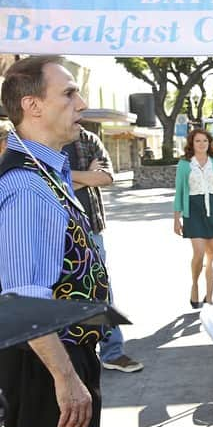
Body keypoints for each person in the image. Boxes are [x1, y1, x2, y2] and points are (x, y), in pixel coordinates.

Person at [0, 55, 110, 427]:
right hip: (46, 369)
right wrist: (66, 380)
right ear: (33, 106)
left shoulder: (47, 174)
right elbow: (23, 298)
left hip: (62, 360)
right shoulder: (27, 187)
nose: (81, 104)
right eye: (68, 93)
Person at [63, 127, 144, 373]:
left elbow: (107, 177)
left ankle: (112, 352)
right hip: (57, 229)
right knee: (64, 294)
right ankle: (71, 357)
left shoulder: (88, 139)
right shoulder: (40, 138)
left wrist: (67, 176)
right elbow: (46, 182)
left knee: (100, 289)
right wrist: (86, 175)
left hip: (91, 229)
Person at [174, 129, 213, 308]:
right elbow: (179, 192)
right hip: (193, 211)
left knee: (212, 257)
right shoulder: (184, 164)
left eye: (205, 141)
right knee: (198, 253)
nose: (202, 144)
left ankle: (210, 296)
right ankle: (195, 285)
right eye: (198, 141)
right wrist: (176, 219)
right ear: (192, 143)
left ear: (209, 143)